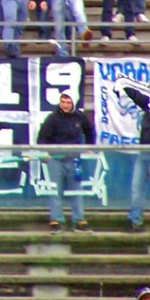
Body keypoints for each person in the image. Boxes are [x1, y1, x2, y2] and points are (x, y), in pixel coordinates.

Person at [37, 91, 94, 233]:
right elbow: (42, 137)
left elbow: (89, 130)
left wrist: (89, 146)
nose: (65, 105)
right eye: (63, 102)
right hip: (55, 160)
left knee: (76, 191)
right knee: (55, 191)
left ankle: (79, 220)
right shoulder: (52, 118)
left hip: (74, 159)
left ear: (73, 103)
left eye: (68, 103)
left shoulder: (80, 116)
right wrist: (45, 152)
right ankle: (56, 220)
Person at [117, 81, 150, 232]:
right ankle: (135, 221)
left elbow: (138, 96)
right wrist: (122, 85)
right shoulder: (147, 106)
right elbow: (136, 95)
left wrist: (124, 86)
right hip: (143, 153)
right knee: (136, 188)